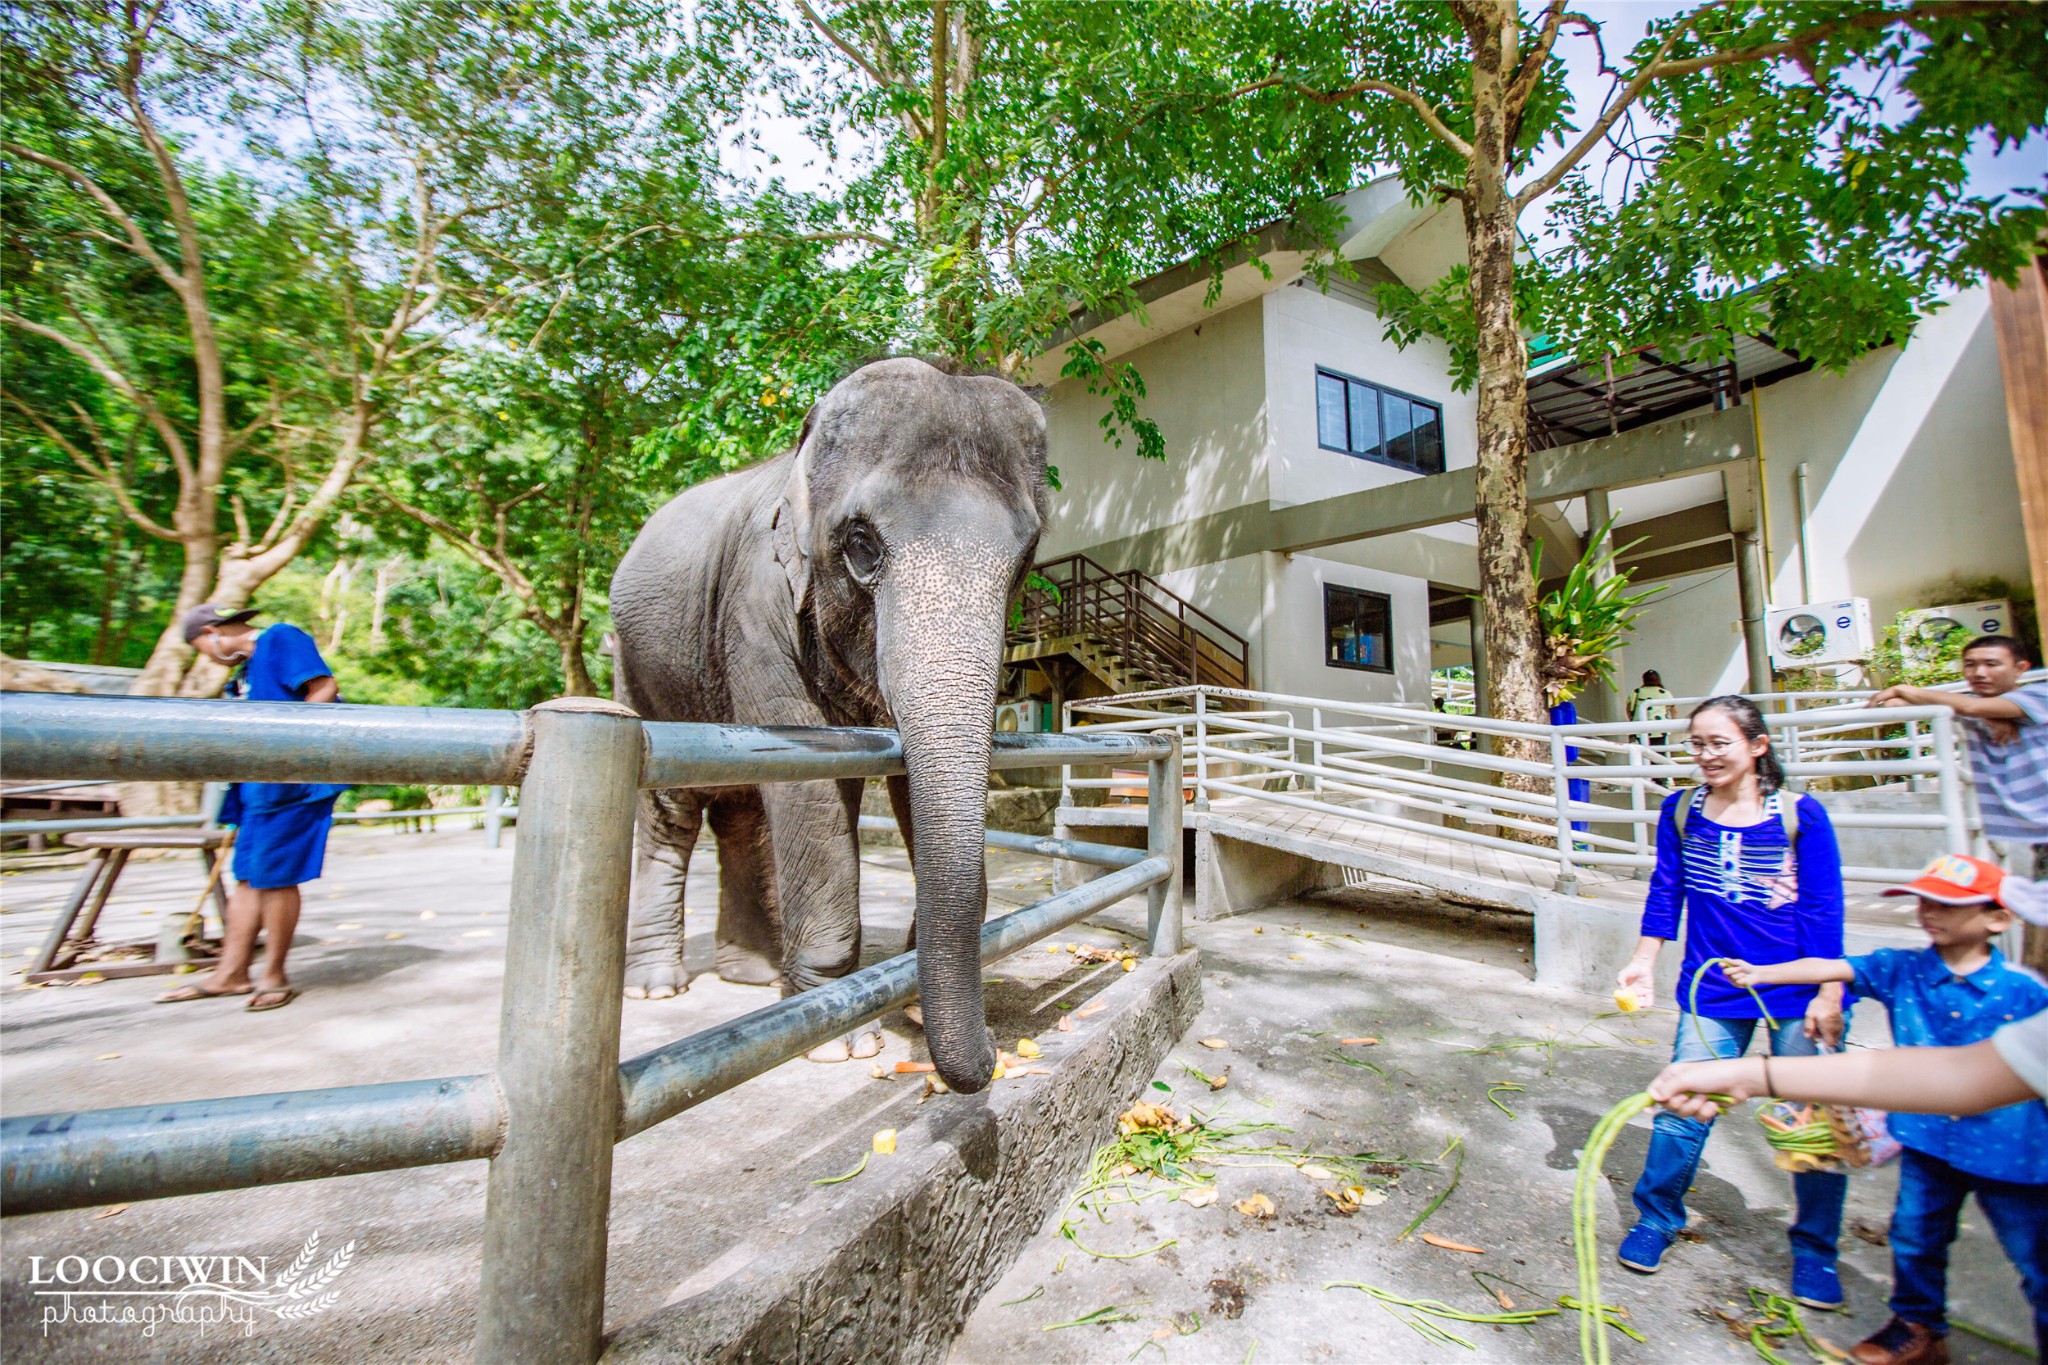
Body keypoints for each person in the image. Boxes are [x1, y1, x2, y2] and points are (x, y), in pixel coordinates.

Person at [1711, 854, 2048, 1365]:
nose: (1930, 912)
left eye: (1949, 905)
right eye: (1925, 901)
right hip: (1927, 1141)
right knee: (1914, 1238)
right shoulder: (1902, 968)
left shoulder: (2026, 993)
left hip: (2013, 1154)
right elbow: (1833, 967)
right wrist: (1764, 972)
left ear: (1997, 919)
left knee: (2035, 1259)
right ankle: (1918, 1330)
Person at [1612, 694, 1850, 1308]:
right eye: (1696, 743)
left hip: (1797, 993)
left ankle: (1815, 1251)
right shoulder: (1682, 810)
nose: (1706, 755)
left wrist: (1829, 990)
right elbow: (1667, 890)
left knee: (1811, 1125)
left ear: (1757, 746)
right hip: (1711, 988)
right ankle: (1658, 1217)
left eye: (1719, 742)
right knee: (1683, 1107)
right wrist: (1644, 962)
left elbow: (1825, 912)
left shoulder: (1801, 815)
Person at [156, 605, 345, 1012]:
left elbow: (323, 688)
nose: (205, 657)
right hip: (255, 791)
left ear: (211, 633)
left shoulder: (279, 637)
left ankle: (273, 974)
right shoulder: (243, 674)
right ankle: (232, 972)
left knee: (276, 878)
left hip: (293, 783)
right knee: (246, 878)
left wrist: (286, 754)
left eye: (200, 649)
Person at [1869, 634, 2047, 879]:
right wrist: (1989, 714)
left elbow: (1969, 707)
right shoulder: (1966, 705)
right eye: (1970, 664)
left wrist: (1904, 688)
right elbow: (1890, 707)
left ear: (2020, 668)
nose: (1979, 672)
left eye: (1991, 664)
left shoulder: (2040, 695)